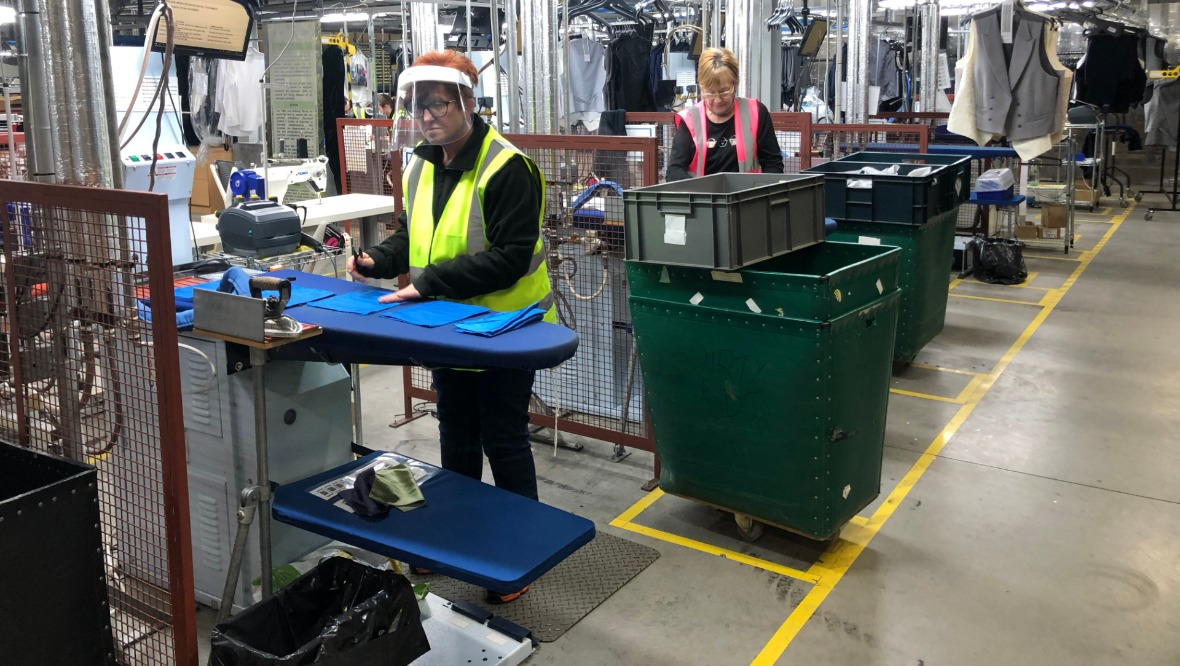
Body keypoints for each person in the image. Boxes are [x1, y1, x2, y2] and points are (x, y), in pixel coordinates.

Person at [347, 50, 552, 604]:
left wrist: (428, 283)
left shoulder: (507, 167)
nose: (428, 115)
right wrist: (378, 261)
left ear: (467, 102)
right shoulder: (421, 164)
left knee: (503, 441)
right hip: (446, 326)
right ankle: (456, 539)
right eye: (419, 105)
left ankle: (519, 553)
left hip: (508, 328)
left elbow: (510, 257)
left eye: (438, 103)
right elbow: (414, 236)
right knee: (456, 437)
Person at [666, 48, 784, 181]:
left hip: (747, 197)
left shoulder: (756, 112)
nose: (717, 100)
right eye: (710, 93)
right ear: (701, 87)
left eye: (724, 92)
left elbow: (773, 163)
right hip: (704, 198)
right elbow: (674, 170)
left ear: (735, 84)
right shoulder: (690, 120)